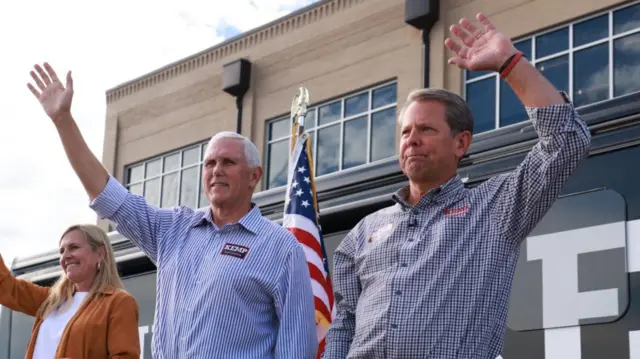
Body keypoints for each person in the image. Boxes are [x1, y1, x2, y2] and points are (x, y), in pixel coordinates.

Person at [324, 12, 591, 359]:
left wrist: (509, 64)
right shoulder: (362, 233)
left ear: (461, 143)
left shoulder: (496, 208)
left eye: (427, 130)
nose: (412, 140)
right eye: (406, 132)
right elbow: (343, 322)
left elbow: (567, 141)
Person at [26, 63, 318, 359]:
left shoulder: (280, 248)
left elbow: (297, 349)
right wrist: (63, 121)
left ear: (254, 176)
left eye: (228, 163)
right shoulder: (174, 230)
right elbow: (107, 194)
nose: (216, 170)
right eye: (209, 163)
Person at [0, 224, 140, 359]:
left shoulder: (118, 302)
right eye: (62, 251)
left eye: (74, 247)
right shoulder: (51, 300)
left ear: (100, 253)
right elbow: (6, 287)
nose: (65, 256)